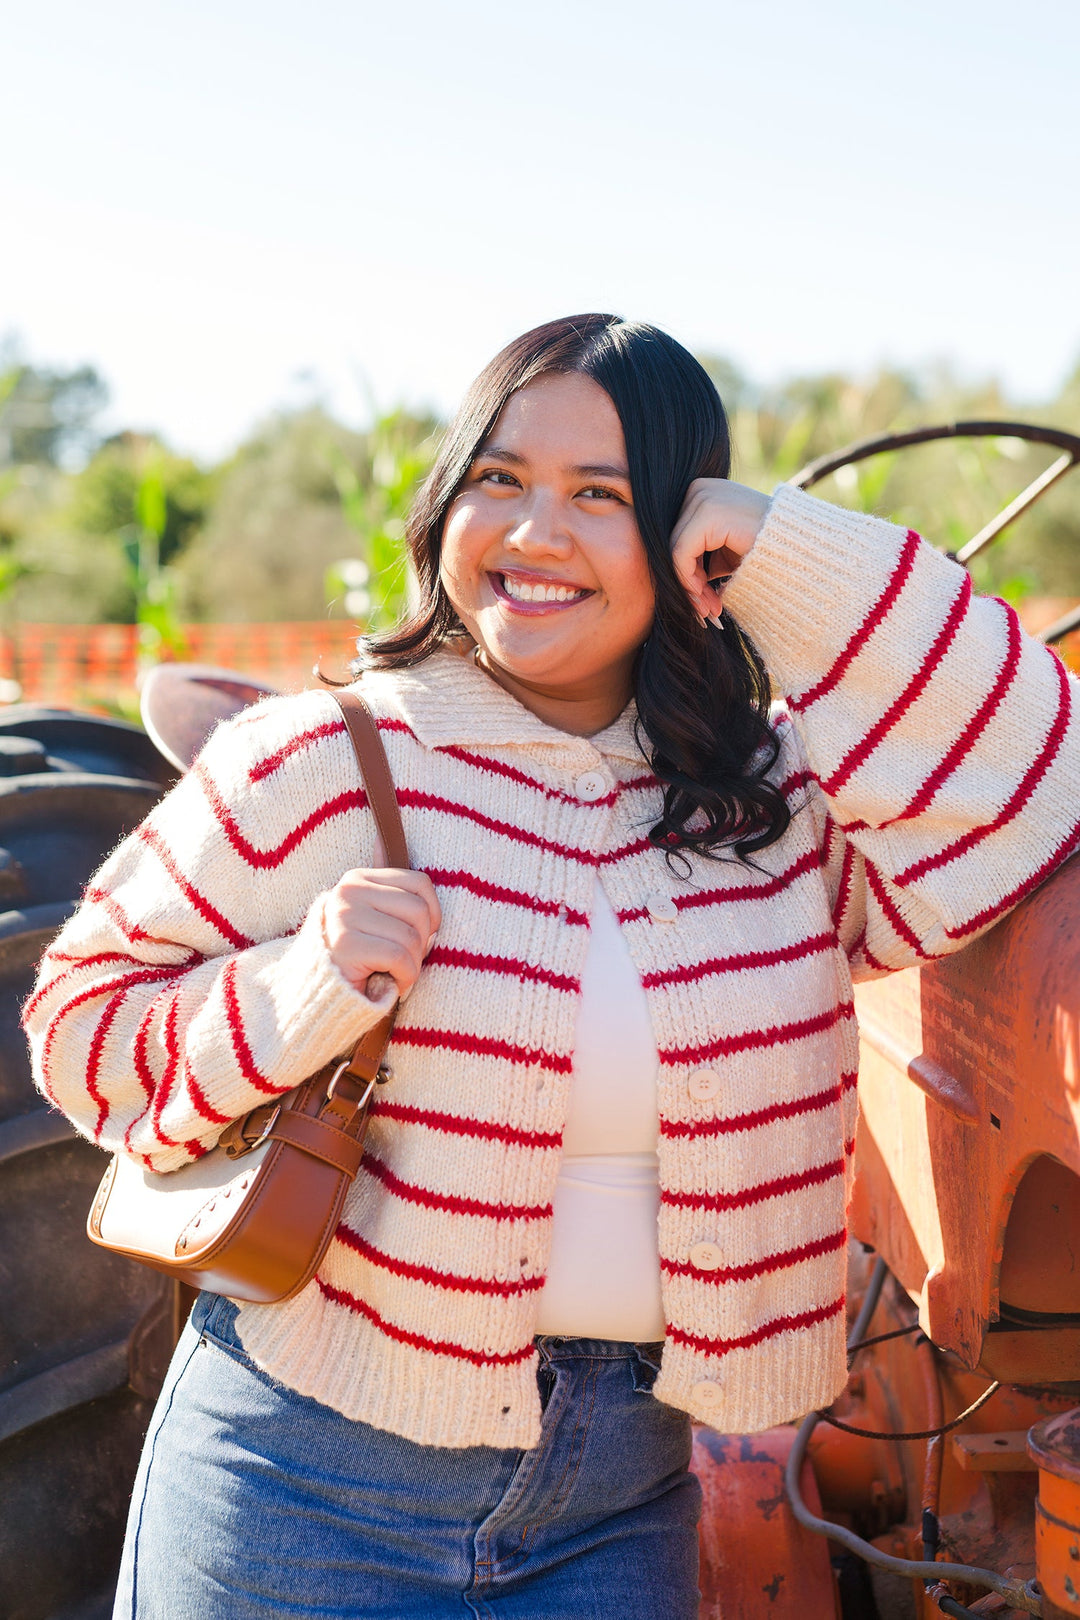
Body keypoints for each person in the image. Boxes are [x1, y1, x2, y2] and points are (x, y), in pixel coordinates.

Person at [24, 314, 1080, 1619]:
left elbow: (1037, 778)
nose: (534, 532)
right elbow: (77, 1032)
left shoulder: (774, 808)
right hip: (300, 1487)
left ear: (682, 533)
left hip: (616, 1505)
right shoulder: (321, 761)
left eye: (602, 495)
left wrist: (783, 547)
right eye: (501, 478)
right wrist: (298, 991)